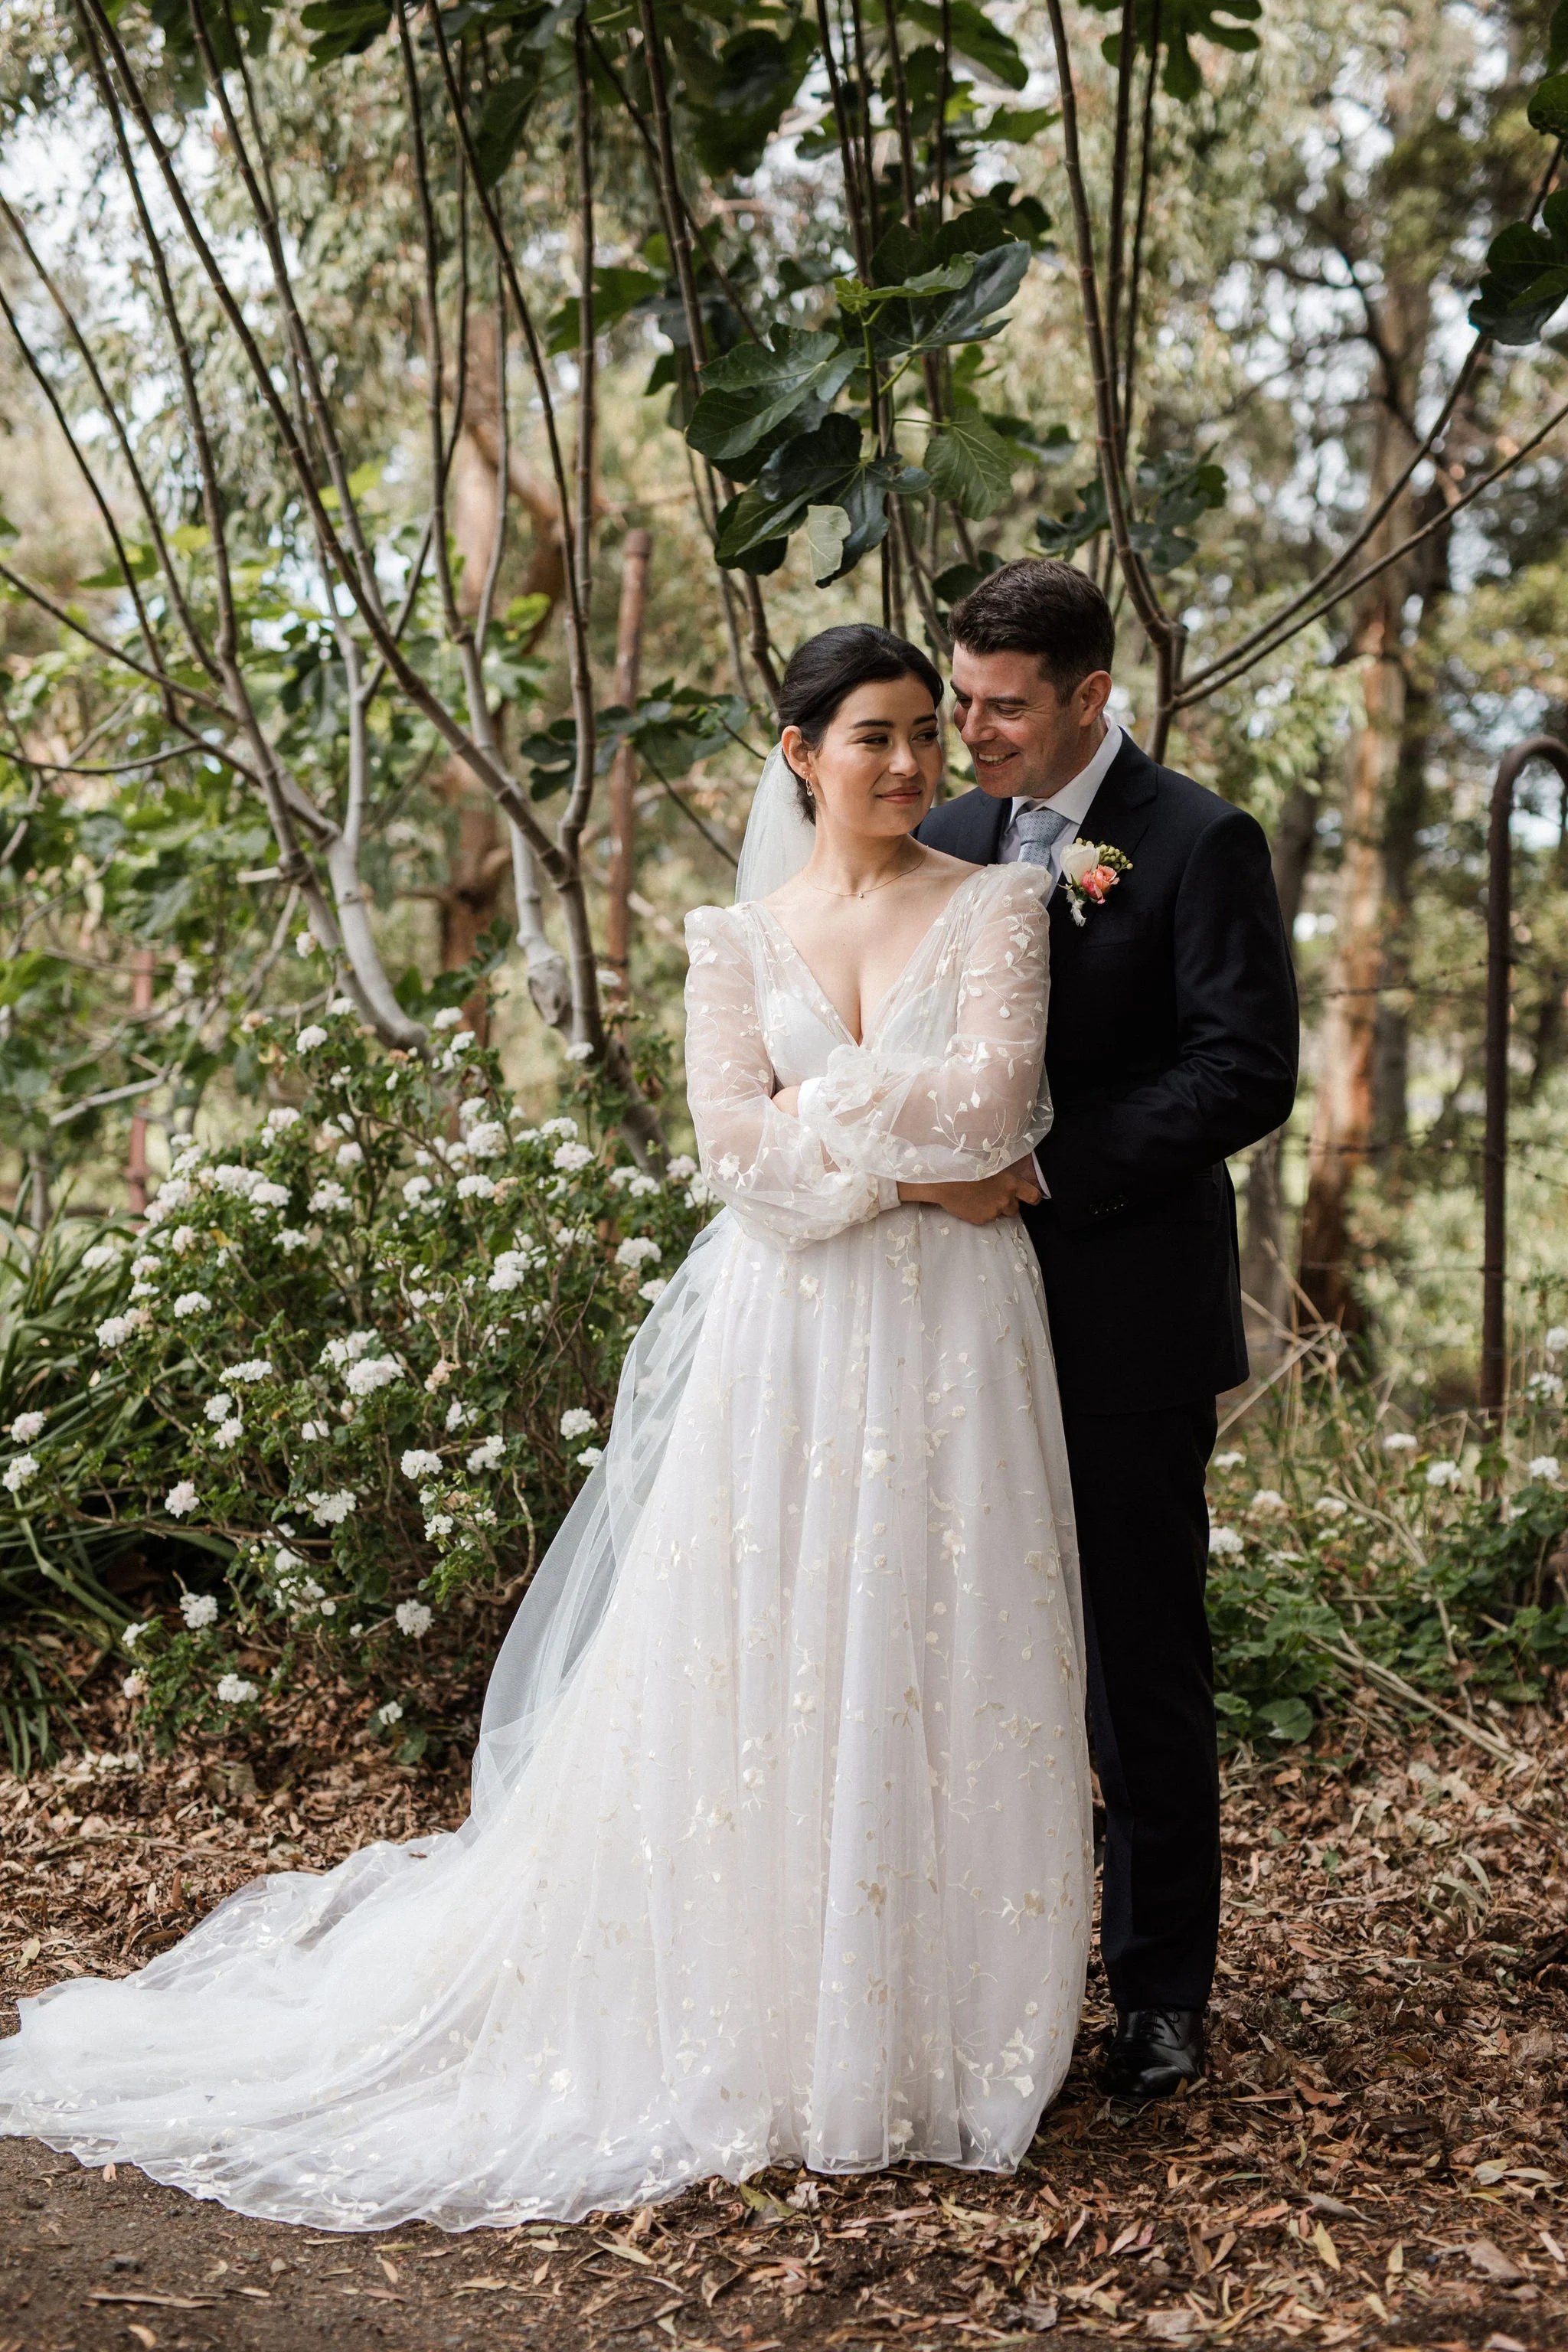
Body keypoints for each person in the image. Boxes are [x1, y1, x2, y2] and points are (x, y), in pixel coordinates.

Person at [0, 626, 1093, 2230]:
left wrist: (824, 1120)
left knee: (939, 1636)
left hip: (948, 1336)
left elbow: (1001, 1106)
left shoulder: (998, 902)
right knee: (773, 1640)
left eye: (928, 730)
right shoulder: (734, 936)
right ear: (798, 752)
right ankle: (773, 2019)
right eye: (875, 734)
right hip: (783, 1337)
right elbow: (731, 1155)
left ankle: (921, 2036)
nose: (915, 762)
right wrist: (894, 1148)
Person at [918, 560, 1299, 2101]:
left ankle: (1158, 1995)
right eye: (958, 699)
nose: (970, 732)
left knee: (1137, 1662)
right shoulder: (937, 837)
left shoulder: (1199, 841)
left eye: (1002, 706)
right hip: (943, 1318)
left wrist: (1046, 1170)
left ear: (1088, 697)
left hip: (1120, 1317)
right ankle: (960, 1971)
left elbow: (1244, 1071)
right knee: (951, 1649)